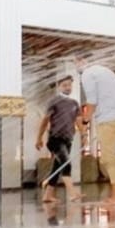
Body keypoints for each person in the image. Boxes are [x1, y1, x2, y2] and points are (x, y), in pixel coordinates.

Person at [75, 52, 115, 203]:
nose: (76, 66)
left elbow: (92, 101)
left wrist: (86, 119)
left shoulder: (87, 74)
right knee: (107, 159)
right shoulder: (107, 71)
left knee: (109, 159)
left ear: (82, 60)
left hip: (106, 121)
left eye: (76, 62)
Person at [36, 75, 83, 203]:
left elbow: (78, 120)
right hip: (55, 139)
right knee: (66, 164)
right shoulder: (54, 101)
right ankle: (72, 193)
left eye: (69, 85)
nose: (68, 87)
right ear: (59, 87)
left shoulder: (74, 103)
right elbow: (45, 120)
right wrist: (39, 138)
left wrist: (84, 135)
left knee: (56, 169)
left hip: (68, 139)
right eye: (64, 85)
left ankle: (47, 196)